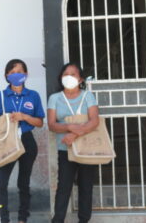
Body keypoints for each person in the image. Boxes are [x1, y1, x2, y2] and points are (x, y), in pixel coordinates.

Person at [0, 59, 45, 223]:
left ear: (26, 74)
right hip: (6, 141)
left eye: (19, 72)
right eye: (12, 72)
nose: (16, 75)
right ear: (6, 75)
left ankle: (22, 218)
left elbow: (40, 122)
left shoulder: (33, 95)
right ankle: (3, 217)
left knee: (23, 183)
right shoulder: (0, 95)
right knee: (0, 183)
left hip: (27, 140)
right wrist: (5, 120)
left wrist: (24, 116)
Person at [47, 63, 100, 223]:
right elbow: (52, 125)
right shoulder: (55, 98)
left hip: (87, 148)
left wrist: (74, 134)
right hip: (65, 149)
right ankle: (58, 219)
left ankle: (84, 220)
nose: (69, 77)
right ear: (61, 78)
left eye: (73, 74)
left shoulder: (88, 96)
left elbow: (94, 121)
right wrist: (69, 127)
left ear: (81, 79)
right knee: (64, 186)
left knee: (86, 186)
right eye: (66, 74)